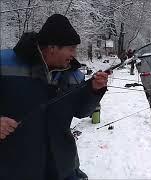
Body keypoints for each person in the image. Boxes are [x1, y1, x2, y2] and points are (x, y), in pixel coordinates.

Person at [0, 14, 109, 180]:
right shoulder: (5, 63)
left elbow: (82, 111)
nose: (74, 54)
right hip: (15, 169)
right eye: (71, 48)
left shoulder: (73, 74)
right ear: (52, 47)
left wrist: (94, 90)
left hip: (63, 169)